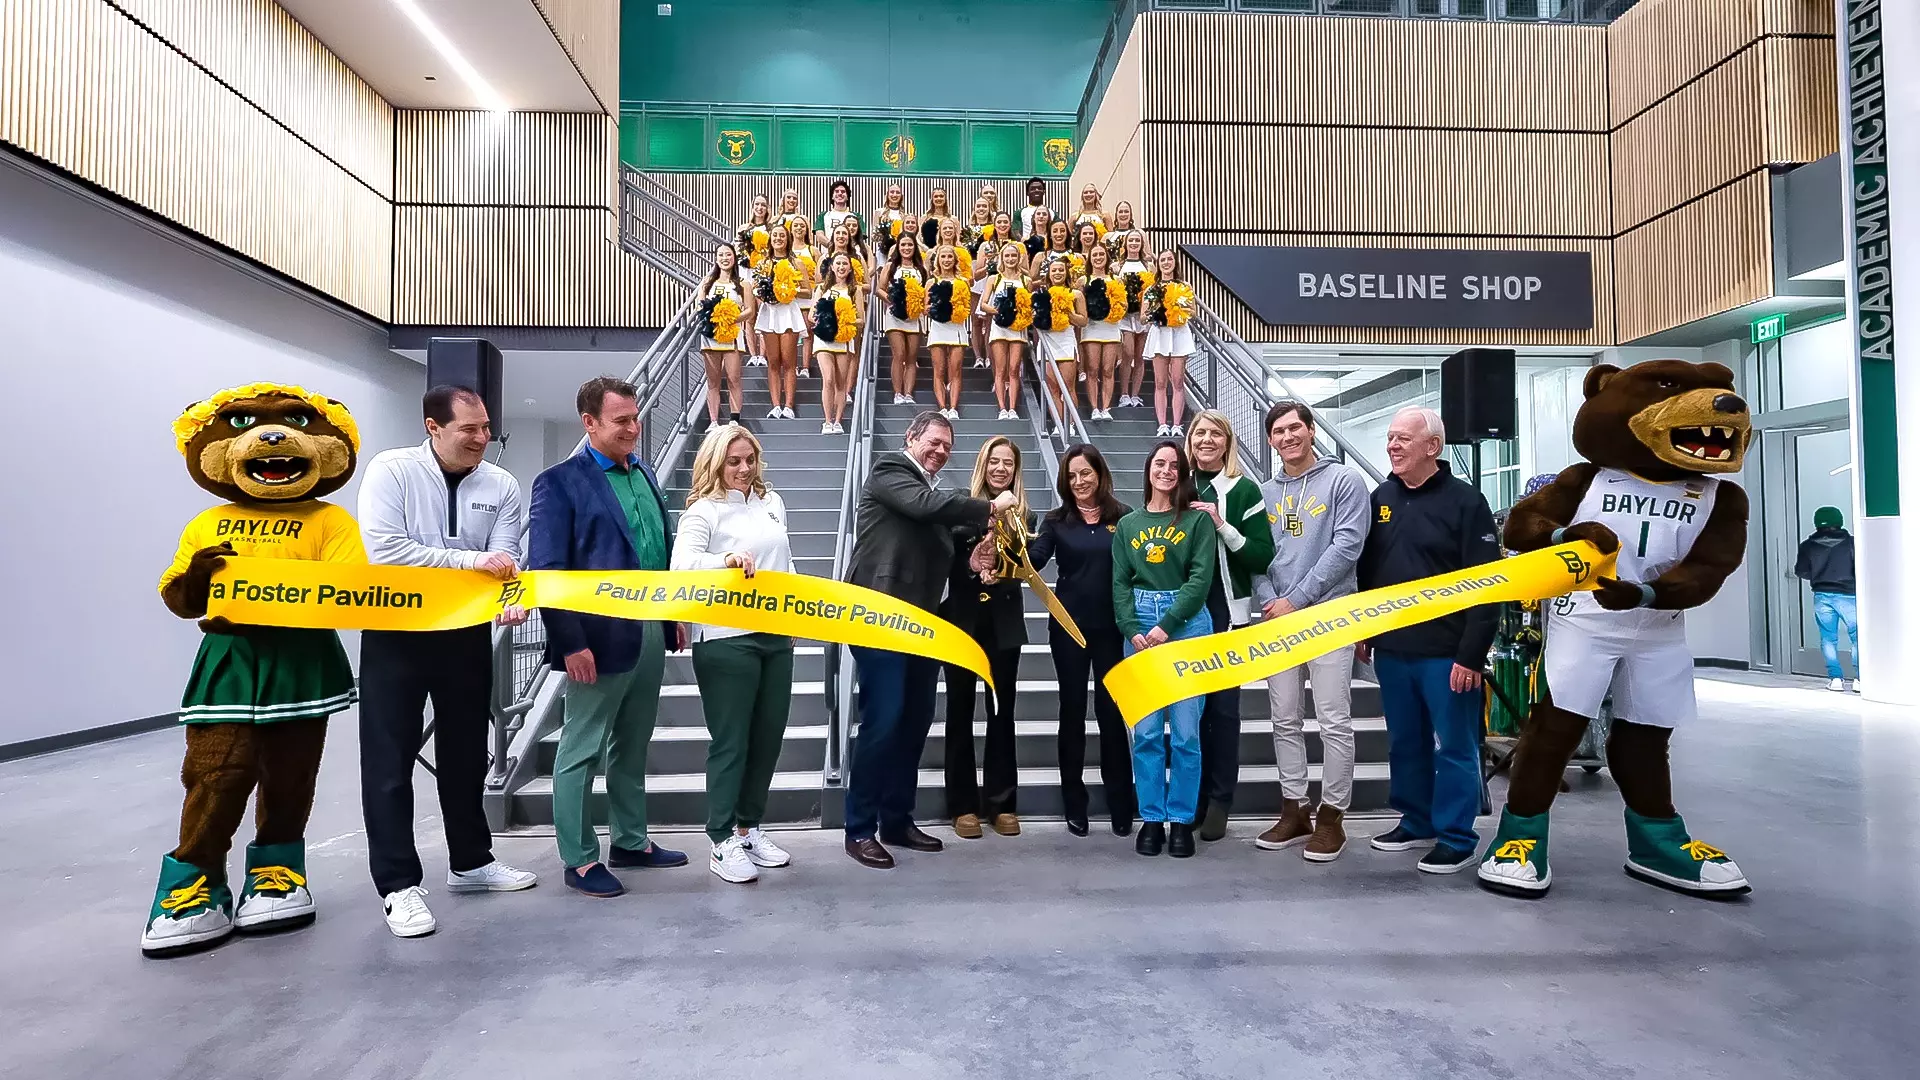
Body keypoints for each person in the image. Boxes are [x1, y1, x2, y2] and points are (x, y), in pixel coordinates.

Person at [355, 386, 536, 937]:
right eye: (469, 430)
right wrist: (472, 562)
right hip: (396, 633)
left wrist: (506, 599)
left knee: (464, 755)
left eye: (487, 428)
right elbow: (386, 551)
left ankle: (472, 862)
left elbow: (506, 564)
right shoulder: (392, 471)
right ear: (433, 427)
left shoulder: (501, 484)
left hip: (464, 634)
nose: (482, 438)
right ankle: (398, 886)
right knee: (389, 764)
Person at [529, 377, 689, 898]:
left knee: (634, 743)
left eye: (635, 417)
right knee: (581, 749)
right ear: (590, 423)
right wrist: (570, 642)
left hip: (647, 632)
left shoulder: (643, 474)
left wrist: (672, 614)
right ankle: (578, 860)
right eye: (621, 420)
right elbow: (548, 570)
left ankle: (631, 840)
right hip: (593, 641)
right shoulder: (558, 482)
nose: (633, 428)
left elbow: (657, 552)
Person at [843, 413, 1015, 869]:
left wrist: (974, 558)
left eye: (946, 447)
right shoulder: (889, 471)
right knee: (883, 720)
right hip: (880, 617)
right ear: (911, 438)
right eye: (934, 442)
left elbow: (947, 550)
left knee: (915, 720)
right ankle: (859, 828)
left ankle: (896, 820)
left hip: (925, 625)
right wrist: (989, 506)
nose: (940, 451)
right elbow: (925, 506)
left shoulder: (935, 498)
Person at [1355, 406, 1499, 876]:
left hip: (1448, 654)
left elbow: (1487, 583)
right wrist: (1367, 632)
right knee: (1404, 742)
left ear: (1432, 447)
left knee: (1455, 745)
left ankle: (1457, 837)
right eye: (1391, 438)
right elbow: (1370, 574)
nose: (1393, 446)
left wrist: (1471, 654)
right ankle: (1415, 821)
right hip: (1394, 650)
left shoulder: (1466, 501)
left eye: (1403, 439)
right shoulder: (1382, 497)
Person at [672, 425, 796, 884]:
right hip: (725, 638)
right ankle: (721, 840)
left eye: (749, 460)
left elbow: (787, 564)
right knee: (732, 741)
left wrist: (798, 619)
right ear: (715, 463)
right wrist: (721, 562)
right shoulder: (703, 511)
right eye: (733, 461)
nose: (744, 469)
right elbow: (680, 565)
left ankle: (749, 828)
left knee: (768, 739)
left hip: (775, 634)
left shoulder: (772, 503)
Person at [1250, 400, 1371, 861]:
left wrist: (1295, 600)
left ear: (1311, 430)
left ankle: (1333, 816)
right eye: (1278, 431)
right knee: (1284, 718)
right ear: (1270, 440)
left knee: (1333, 718)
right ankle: (1294, 808)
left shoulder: (1344, 481)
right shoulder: (1263, 492)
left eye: (1294, 428)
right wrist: (1269, 601)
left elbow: (1347, 546)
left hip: (1329, 615)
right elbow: (1255, 556)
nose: (1287, 437)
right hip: (1278, 618)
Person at [1112, 441, 1218, 859]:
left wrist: (1166, 626)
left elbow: (1200, 578)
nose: (1167, 471)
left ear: (1183, 474)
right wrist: (1131, 628)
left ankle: (1181, 820)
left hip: (1187, 625)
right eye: (1160, 463)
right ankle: (1152, 818)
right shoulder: (1128, 524)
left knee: (1188, 734)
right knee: (1148, 733)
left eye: (1175, 466)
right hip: (1139, 623)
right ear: (1148, 469)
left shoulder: (1197, 522)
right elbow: (1120, 582)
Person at [1031, 445, 1136, 837]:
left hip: (1112, 629)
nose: (1079, 482)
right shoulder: (1056, 520)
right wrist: (1010, 551)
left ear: (1099, 473)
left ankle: (1121, 802)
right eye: (1072, 476)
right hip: (1068, 629)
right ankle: (1074, 803)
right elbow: (1036, 558)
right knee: (1072, 713)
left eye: (1085, 473)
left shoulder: (1123, 517)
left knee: (1112, 715)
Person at [1185, 411, 1276, 840]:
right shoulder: (1175, 483)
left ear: (1227, 442)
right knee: (1188, 715)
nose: (1206, 440)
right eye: (1199, 432)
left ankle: (1220, 799)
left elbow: (1260, 556)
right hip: (1179, 616)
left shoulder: (1243, 489)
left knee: (1222, 712)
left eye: (1214, 433)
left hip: (1227, 616)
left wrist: (1222, 526)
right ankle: (1192, 798)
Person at [942, 438, 1034, 839]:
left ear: (1016, 470)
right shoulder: (963, 506)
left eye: (1008, 463)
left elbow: (1028, 568)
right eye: (994, 462)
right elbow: (947, 563)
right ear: (983, 465)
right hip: (962, 623)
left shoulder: (1025, 514)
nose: (1000, 469)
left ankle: (1002, 803)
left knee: (1002, 714)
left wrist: (1006, 571)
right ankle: (962, 805)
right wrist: (970, 563)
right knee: (959, 712)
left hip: (1004, 625)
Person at [1795, 505, 1858, 692]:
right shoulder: (1852, 543)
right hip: (1849, 595)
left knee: (1828, 639)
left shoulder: (1807, 546)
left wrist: (1819, 574)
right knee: (1857, 638)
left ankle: (1836, 679)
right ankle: (1860, 680)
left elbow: (1802, 571)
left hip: (1822, 595)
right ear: (1839, 521)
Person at [753, 224, 809, 420]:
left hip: (788, 313)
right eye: (775, 235)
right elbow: (756, 288)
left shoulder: (796, 263)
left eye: (782, 236)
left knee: (788, 361)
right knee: (773, 361)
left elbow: (808, 291)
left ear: (788, 239)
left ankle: (789, 405)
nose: (778, 238)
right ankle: (775, 405)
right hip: (770, 313)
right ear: (770, 239)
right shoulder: (763, 264)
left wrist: (787, 289)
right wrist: (768, 292)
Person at [697, 243, 757, 425]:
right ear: (716, 258)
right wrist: (716, 318)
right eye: (721, 255)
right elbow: (702, 307)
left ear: (734, 258)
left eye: (728, 255)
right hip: (711, 335)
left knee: (734, 379)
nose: (725, 258)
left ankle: (734, 418)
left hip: (732, 335)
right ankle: (714, 421)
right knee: (713, 381)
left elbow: (750, 311)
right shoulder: (707, 283)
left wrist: (731, 318)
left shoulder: (742, 284)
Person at [1032, 253, 1087, 436]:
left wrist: (1068, 313)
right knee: (1052, 387)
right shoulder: (1040, 294)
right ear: (1048, 273)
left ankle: (1070, 424)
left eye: (1060, 270)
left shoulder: (1075, 294)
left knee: (1068, 386)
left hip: (1065, 340)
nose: (1057, 273)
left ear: (1066, 272)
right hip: (1047, 342)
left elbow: (1083, 321)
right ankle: (1058, 423)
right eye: (1053, 270)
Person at [1145, 249, 1195, 436]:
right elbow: (1143, 316)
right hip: (1160, 335)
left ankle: (1176, 424)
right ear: (1158, 264)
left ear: (1175, 263)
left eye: (1169, 259)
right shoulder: (1152, 289)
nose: (1166, 263)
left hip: (1179, 334)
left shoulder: (1185, 287)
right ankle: (1162, 424)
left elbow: (1193, 313)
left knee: (1178, 380)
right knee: (1159, 381)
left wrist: (1179, 308)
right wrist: (1156, 313)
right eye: (1163, 260)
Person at [811, 252, 863, 435]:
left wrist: (844, 320)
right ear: (832, 267)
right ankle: (827, 420)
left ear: (850, 268)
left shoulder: (854, 290)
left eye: (845, 264)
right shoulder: (821, 288)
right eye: (838, 263)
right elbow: (811, 315)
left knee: (841, 382)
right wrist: (828, 319)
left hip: (843, 339)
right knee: (829, 378)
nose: (841, 267)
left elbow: (861, 319)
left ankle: (838, 421)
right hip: (824, 339)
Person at [878, 231, 929, 406]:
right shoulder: (891, 266)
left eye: (910, 245)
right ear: (898, 248)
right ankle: (897, 393)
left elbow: (926, 292)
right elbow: (880, 289)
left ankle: (908, 393)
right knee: (899, 354)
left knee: (912, 357)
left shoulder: (921, 269)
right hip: (895, 317)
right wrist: (893, 300)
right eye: (903, 245)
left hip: (914, 318)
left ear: (914, 247)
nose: (906, 248)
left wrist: (920, 305)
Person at [984, 241, 1031, 421]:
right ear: (1002, 258)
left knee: (1014, 369)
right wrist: (1000, 311)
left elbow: (1028, 305)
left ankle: (1013, 408)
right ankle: (1002, 408)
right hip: (999, 327)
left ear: (1019, 258)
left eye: (1014, 256)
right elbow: (983, 304)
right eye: (1007, 256)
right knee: (1000, 369)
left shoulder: (1025, 280)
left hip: (1018, 329)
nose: (1010, 259)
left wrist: (1020, 313)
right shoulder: (994, 278)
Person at [1080, 241, 1126, 421]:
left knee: (1108, 370)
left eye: (1101, 254)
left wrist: (1116, 308)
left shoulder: (1116, 280)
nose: (1098, 258)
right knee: (1092, 369)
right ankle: (1094, 408)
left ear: (1107, 257)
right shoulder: (1084, 280)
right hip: (1091, 328)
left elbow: (1124, 304)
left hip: (1111, 329)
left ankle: (1106, 408)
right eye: (1095, 255)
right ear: (1090, 258)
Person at [925, 243, 971, 420]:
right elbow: (925, 308)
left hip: (957, 329)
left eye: (949, 257)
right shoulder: (931, 282)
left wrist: (955, 308)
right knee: (939, 370)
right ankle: (942, 407)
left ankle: (953, 408)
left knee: (956, 370)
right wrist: (937, 307)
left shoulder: (962, 282)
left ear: (955, 260)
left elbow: (967, 308)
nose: (946, 260)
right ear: (937, 260)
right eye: (943, 257)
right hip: (938, 329)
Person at [1115, 230, 1155, 410]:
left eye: (1137, 240)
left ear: (1141, 243)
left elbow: (1154, 290)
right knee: (1128, 353)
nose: (1133, 243)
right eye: (1130, 240)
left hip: (1142, 316)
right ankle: (1123, 393)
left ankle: (1135, 394)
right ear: (1125, 243)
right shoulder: (1117, 266)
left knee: (1140, 357)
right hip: (1125, 316)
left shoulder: (1149, 266)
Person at [1018, 176, 1055, 240]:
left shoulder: (1052, 213)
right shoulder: (1020, 212)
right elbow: (1015, 231)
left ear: (1044, 191)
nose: (1037, 190)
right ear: (1027, 192)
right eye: (1033, 188)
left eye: (1039, 188)